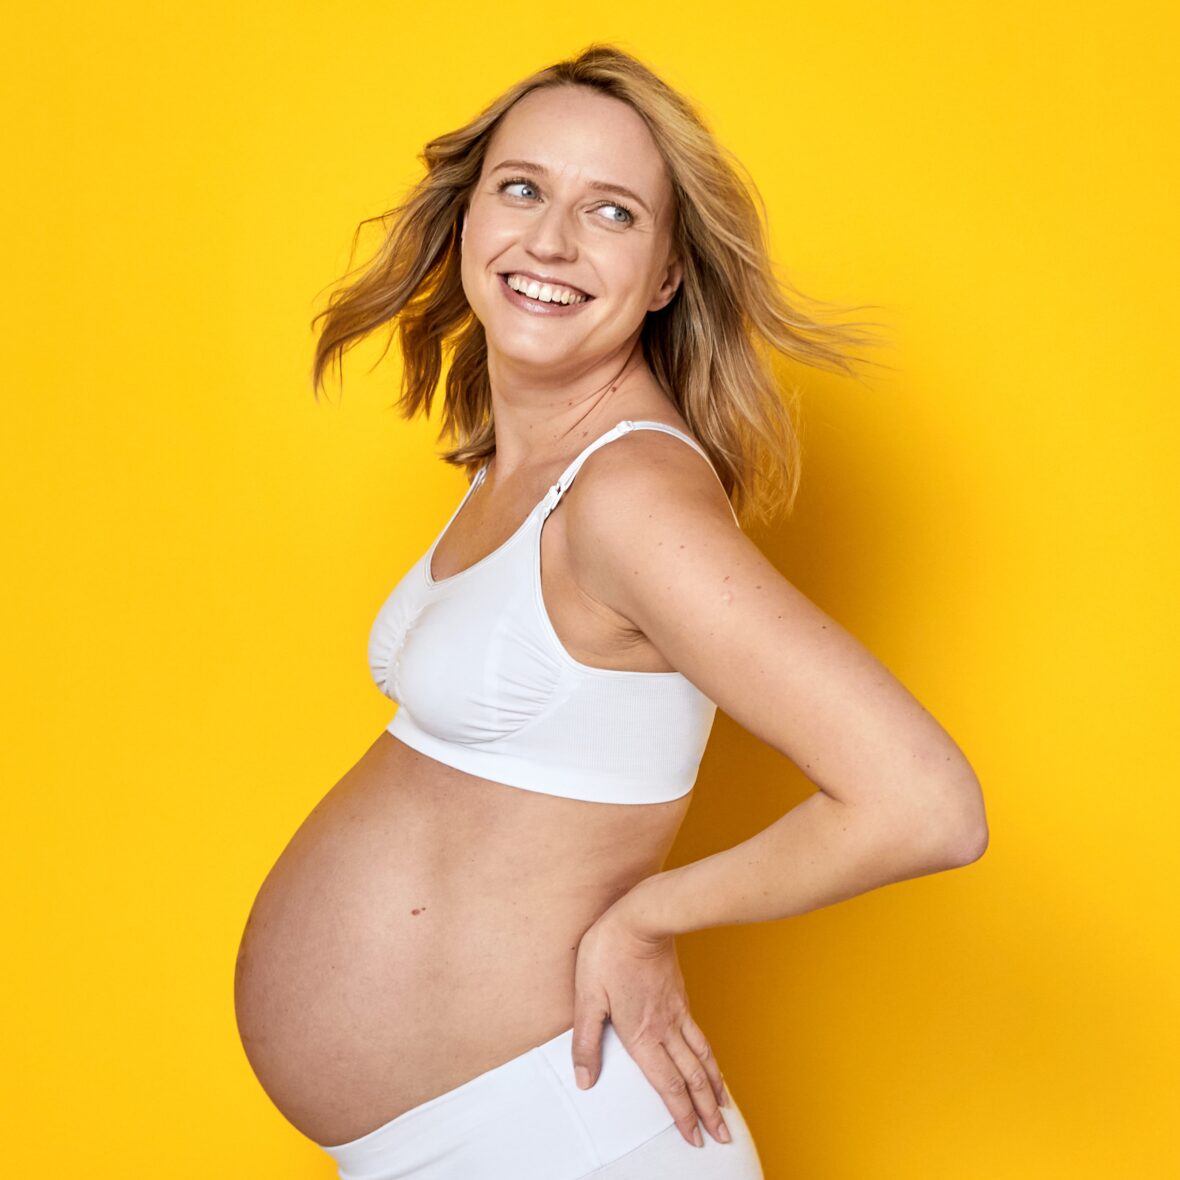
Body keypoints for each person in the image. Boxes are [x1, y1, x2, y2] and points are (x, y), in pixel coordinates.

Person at [233, 43, 988, 1180]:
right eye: (522, 188)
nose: (548, 241)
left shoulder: (628, 495)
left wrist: (646, 918)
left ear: (670, 274)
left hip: (562, 1141)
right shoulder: (527, 466)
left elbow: (927, 804)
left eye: (612, 213)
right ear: (468, 215)